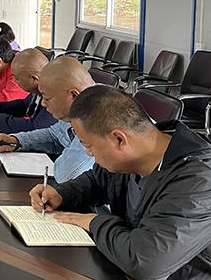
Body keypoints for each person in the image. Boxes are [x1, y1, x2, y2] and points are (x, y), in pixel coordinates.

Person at [30, 85, 211, 279]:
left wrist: (94, 222)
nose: (88, 153)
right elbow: (97, 181)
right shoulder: (137, 154)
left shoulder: (199, 181)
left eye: (89, 146)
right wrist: (61, 194)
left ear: (119, 139)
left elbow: (145, 262)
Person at [0, 56, 95, 183]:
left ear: (73, 95)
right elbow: (54, 135)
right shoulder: (79, 104)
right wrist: (17, 141)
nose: (43, 104)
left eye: (47, 98)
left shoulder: (95, 118)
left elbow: (65, 175)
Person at [0, 48, 58, 133]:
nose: (14, 81)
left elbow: (35, 127)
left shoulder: (54, 95)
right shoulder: (38, 90)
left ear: (34, 79)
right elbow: (23, 105)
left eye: (17, 78)